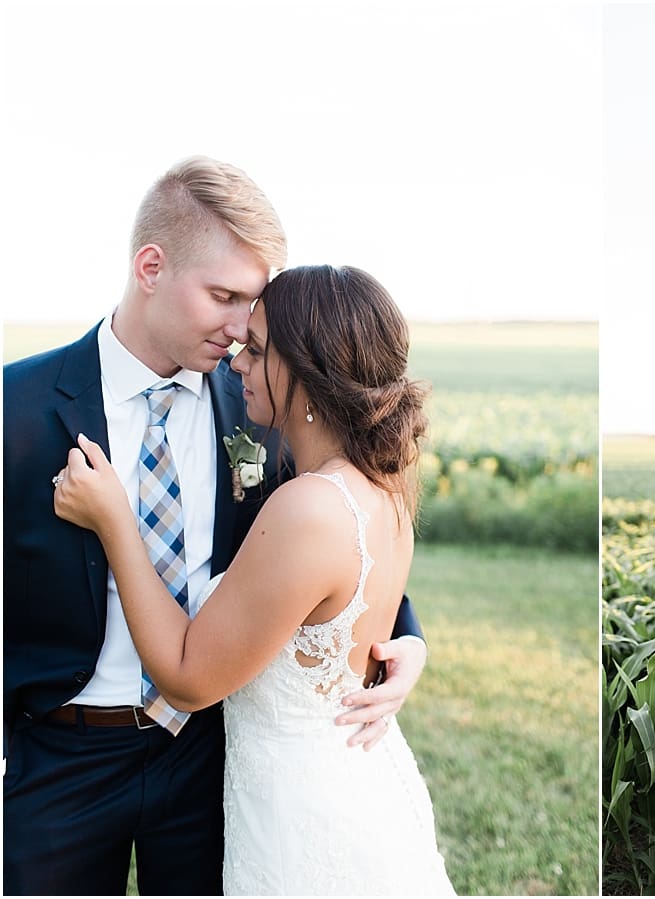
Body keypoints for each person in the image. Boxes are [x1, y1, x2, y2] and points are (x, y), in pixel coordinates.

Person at [2, 158, 429, 896]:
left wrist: (406, 638)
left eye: (252, 304)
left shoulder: (265, 405)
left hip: (208, 754)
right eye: (224, 297)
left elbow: (326, 545)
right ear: (151, 266)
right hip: (56, 758)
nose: (241, 333)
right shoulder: (19, 405)